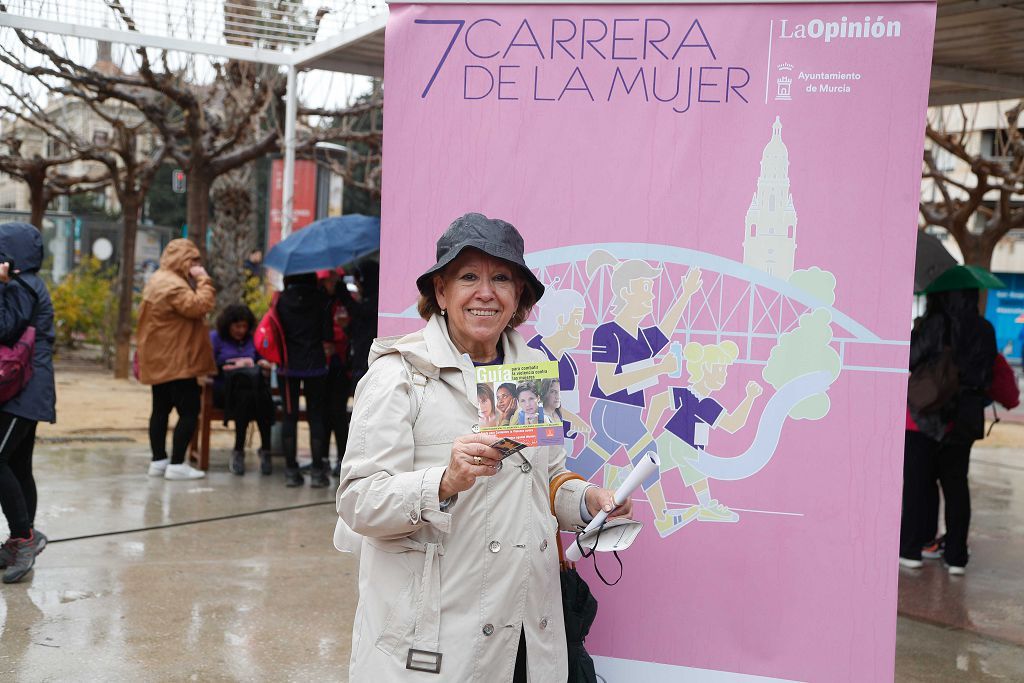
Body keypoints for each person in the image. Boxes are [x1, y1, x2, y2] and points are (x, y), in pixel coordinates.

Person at [337, 212, 631, 681]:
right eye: (468, 276)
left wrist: (588, 501)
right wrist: (444, 481)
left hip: (526, 632)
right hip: (436, 641)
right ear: (440, 292)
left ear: (519, 297)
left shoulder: (529, 372)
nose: (485, 292)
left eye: (501, 278)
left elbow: (548, 480)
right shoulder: (400, 376)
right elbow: (358, 501)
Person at [571, 249, 702, 537]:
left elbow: (663, 334)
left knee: (585, 464)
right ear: (628, 291)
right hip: (612, 410)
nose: (652, 296)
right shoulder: (606, 333)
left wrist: (686, 294)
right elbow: (607, 384)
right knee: (648, 453)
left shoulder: (639, 336)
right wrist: (658, 368)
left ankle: (548, 485)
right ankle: (664, 517)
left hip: (623, 413)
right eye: (646, 288)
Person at [901, 287, 996, 575]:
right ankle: (956, 557)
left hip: (928, 416)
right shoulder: (984, 328)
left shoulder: (935, 323)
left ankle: (912, 549)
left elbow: (910, 358)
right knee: (956, 487)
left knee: (919, 484)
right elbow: (987, 374)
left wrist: (918, 332)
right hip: (965, 417)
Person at [0, 222, 55, 584]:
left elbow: (4, 329)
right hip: (28, 390)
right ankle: (22, 539)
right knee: (18, 466)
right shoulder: (28, 284)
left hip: (21, 391)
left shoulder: (20, 287)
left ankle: (23, 538)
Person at [137, 238, 217, 481]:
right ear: (182, 259)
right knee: (190, 410)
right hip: (178, 358)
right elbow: (200, 305)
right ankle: (177, 463)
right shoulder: (174, 285)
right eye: (193, 260)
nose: (196, 265)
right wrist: (203, 279)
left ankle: (158, 460)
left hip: (159, 358)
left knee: (160, 410)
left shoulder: (156, 280)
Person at [277, 272, 332, 488]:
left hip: (287, 365)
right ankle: (318, 471)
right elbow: (327, 335)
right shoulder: (321, 299)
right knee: (316, 416)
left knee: (289, 416)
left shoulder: (281, 300)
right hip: (315, 365)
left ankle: (291, 471)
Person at [209, 304, 274, 476]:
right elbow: (207, 366)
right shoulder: (216, 338)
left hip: (251, 392)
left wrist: (262, 364)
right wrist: (228, 365)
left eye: (244, 326)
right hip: (224, 389)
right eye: (237, 326)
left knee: (258, 395)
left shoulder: (252, 340)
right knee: (249, 395)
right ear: (228, 324)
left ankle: (244, 450)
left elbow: (262, 360)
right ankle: (260, 450)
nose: (241, 330)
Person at [318, 268, 352, 477]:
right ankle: (321, 458)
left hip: (340, 364)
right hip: (321, 366)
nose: (331, 282)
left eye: (334, 278)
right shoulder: (318, 300)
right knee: (322, 414)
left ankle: (341, 459)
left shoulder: (345, 300)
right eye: (327, 279)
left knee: (339, 414)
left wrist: (336, 341)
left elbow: (348, 328)